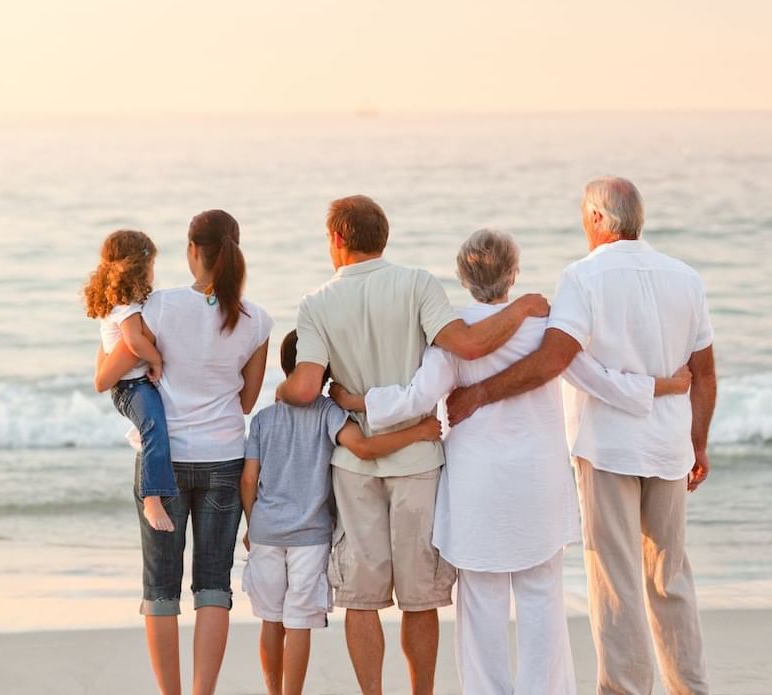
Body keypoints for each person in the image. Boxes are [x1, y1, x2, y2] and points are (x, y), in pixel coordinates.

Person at [331, 229, 693, 695]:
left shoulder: (453, 338)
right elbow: (598, 380)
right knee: (542, 602)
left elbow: (415, 397)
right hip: (536, 483)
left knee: (481, 608)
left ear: (463, 278)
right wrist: (660, 387)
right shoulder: (544, 328)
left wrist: (354, 401)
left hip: (477, 488)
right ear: (514, 274)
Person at [447, 178, 717, 695]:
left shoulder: (582, 277)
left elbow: (556, 359)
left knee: (615, 580)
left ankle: (624, 690)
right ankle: (691, 688)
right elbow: (704, 373)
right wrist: (697, 441)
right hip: (669, 448)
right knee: (671, 578)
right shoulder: (686, 277)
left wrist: (480, 395)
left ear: (597, 218)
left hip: (608, 447)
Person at [275, 195, 549, 695]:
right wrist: (527, 307)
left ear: (337, 239)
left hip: (355, 467)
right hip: (419, 462)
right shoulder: (418, 283)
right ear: (384, 236)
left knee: (362, 597)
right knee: (419, 596)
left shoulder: (315, 303)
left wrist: (279, 391)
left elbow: (307, 387)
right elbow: (467, 345)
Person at [95, 209, 273, 695]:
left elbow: (110, 372)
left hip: (163, 462)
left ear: (192, 251)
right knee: (214, 585)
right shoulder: (258, 320)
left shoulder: (157, 307)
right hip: (223, 459)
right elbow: (247, 400)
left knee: (160, 587)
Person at [240, 330, 442, 695]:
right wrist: (420, 432)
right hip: (309, 537)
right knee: (297, 622)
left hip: (266, 532)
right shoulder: (327, 413)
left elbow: (249, 479)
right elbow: (363, 448)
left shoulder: (262, 419)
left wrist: (252, 524)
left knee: (271, 621)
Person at [84, 229, 177, 532]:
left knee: (154, 429)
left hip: (130, 384)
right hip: (131, 386)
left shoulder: (118, 304)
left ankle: (154, 493)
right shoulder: (128, 308)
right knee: (154, 430)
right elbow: (135, 342)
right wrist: (156, 359)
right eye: (152, 268)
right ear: (139, 268)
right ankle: (151, 497)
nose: (154, 274)